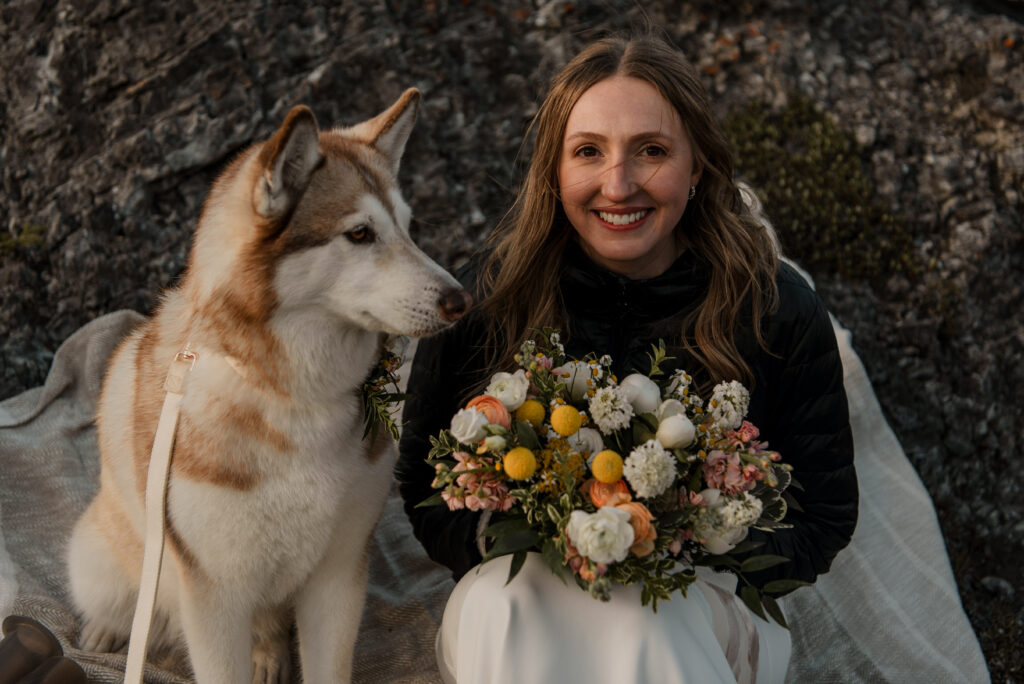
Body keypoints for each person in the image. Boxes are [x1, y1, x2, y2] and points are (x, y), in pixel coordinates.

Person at [395, 34, 857, 684]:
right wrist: (551, 532)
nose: (618, 184)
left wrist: (682, 532)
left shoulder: (774, 309)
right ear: (554, 173)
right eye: (588, 152)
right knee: (507, 604)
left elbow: (824, 519)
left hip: (707, 603)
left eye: (652, 151)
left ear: (697, 167)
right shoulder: (491, 299)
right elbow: (423, 487)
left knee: (642, 614)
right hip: (521, 588)